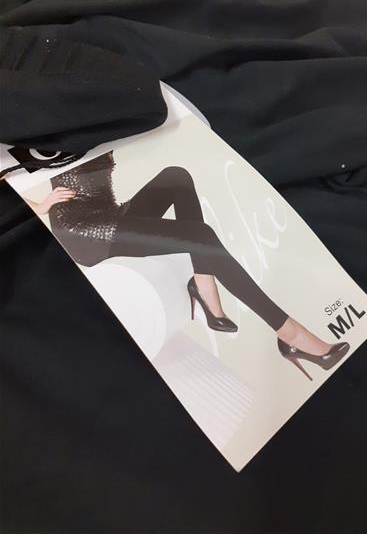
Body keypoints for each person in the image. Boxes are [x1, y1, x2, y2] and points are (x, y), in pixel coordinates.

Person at [23, 150, 350, 380]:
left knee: (176, 177)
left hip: (110, 212)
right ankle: (289, 332)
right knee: (200, 235)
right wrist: (40, 205)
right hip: (83, 231)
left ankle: (203, 282)